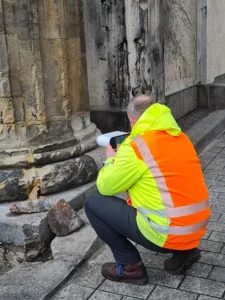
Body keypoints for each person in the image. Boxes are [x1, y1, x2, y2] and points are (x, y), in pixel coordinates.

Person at [84, 93, 210, 285]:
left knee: (93, 202)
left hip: (167, 233)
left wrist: (111, 158)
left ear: (133, 120)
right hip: (197, 228)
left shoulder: (136, 146)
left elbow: (105, 186)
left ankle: (130, 267)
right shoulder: (181, 137)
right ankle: (184, 252)